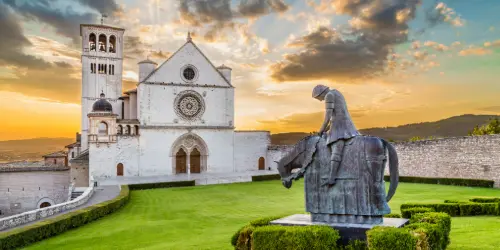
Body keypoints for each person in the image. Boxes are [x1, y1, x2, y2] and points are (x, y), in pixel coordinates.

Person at [312, 84, 360, 186]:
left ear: (321, 93)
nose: (320, 100)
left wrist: (321, 130)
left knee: (336, 150)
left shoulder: (329, 95)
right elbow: (336, 115)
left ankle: (332, 178)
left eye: (319, 98)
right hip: (341, 124)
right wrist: (327, 129)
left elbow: (328, 116)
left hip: (340, 127)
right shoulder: (336, 92)